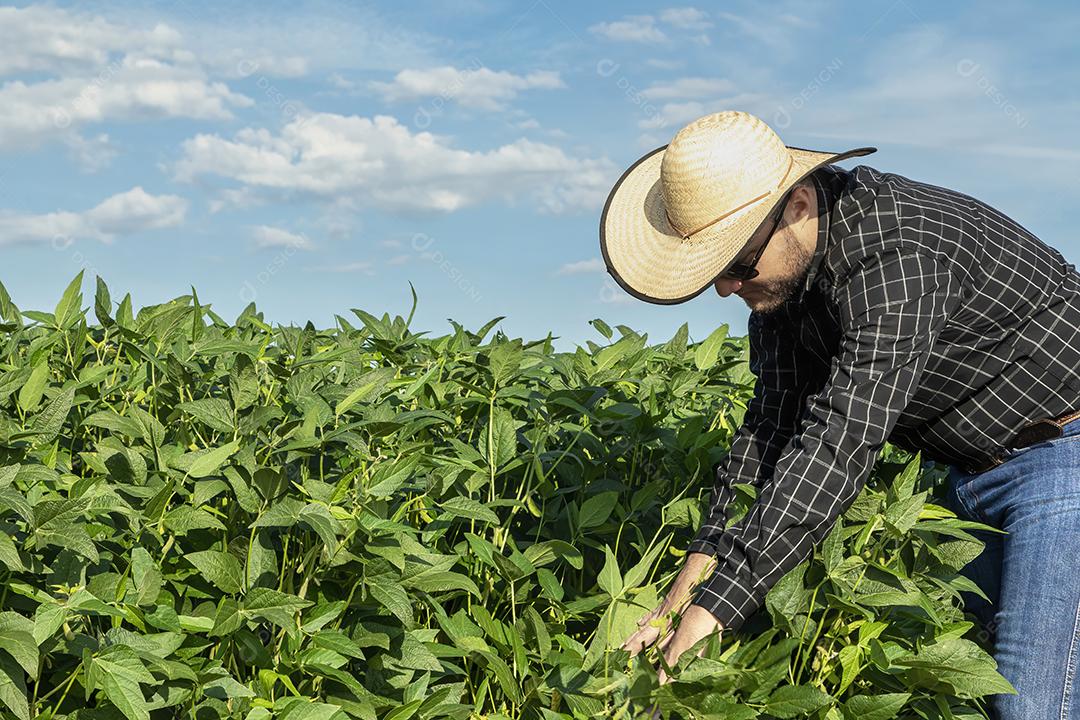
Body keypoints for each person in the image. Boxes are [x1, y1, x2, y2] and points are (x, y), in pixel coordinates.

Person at [600, 110, 1080, 719]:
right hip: (970, 475)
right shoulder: (785, 286)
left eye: (738, 265)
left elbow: (836, 444)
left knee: (1034, 704)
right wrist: (683, 592)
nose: (726, 289)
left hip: (1063, 450)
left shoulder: (899, 258)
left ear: (797, 205)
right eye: (715, 273)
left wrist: (711, 615)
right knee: (965, 688)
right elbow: (770, 431)